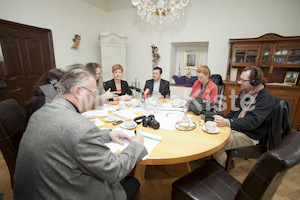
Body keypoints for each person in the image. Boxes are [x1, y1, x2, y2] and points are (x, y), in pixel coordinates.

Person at [14, 66, 147, 200]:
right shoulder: (81, 127)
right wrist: (136, 145)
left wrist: (107, 134)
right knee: (132, 183)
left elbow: (65, 137)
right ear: (77, 91)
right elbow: (115, 170)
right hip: (64, 192)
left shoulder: (41, 112)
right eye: (93, 94)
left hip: (38, 191)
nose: (95, 99)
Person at [212, 66, 275, 167]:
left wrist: (228, 122)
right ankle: (219, 159)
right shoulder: (245, 93)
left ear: (254, 82)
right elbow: (234, 112)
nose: (239, 82)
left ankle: (227, 165)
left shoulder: (266, 98)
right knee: (213, 134)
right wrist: (224, 119)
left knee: (216, 144)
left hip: (250, 135)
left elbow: (252, 122)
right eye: (239, 79)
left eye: (243, 80)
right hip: (239, 128)